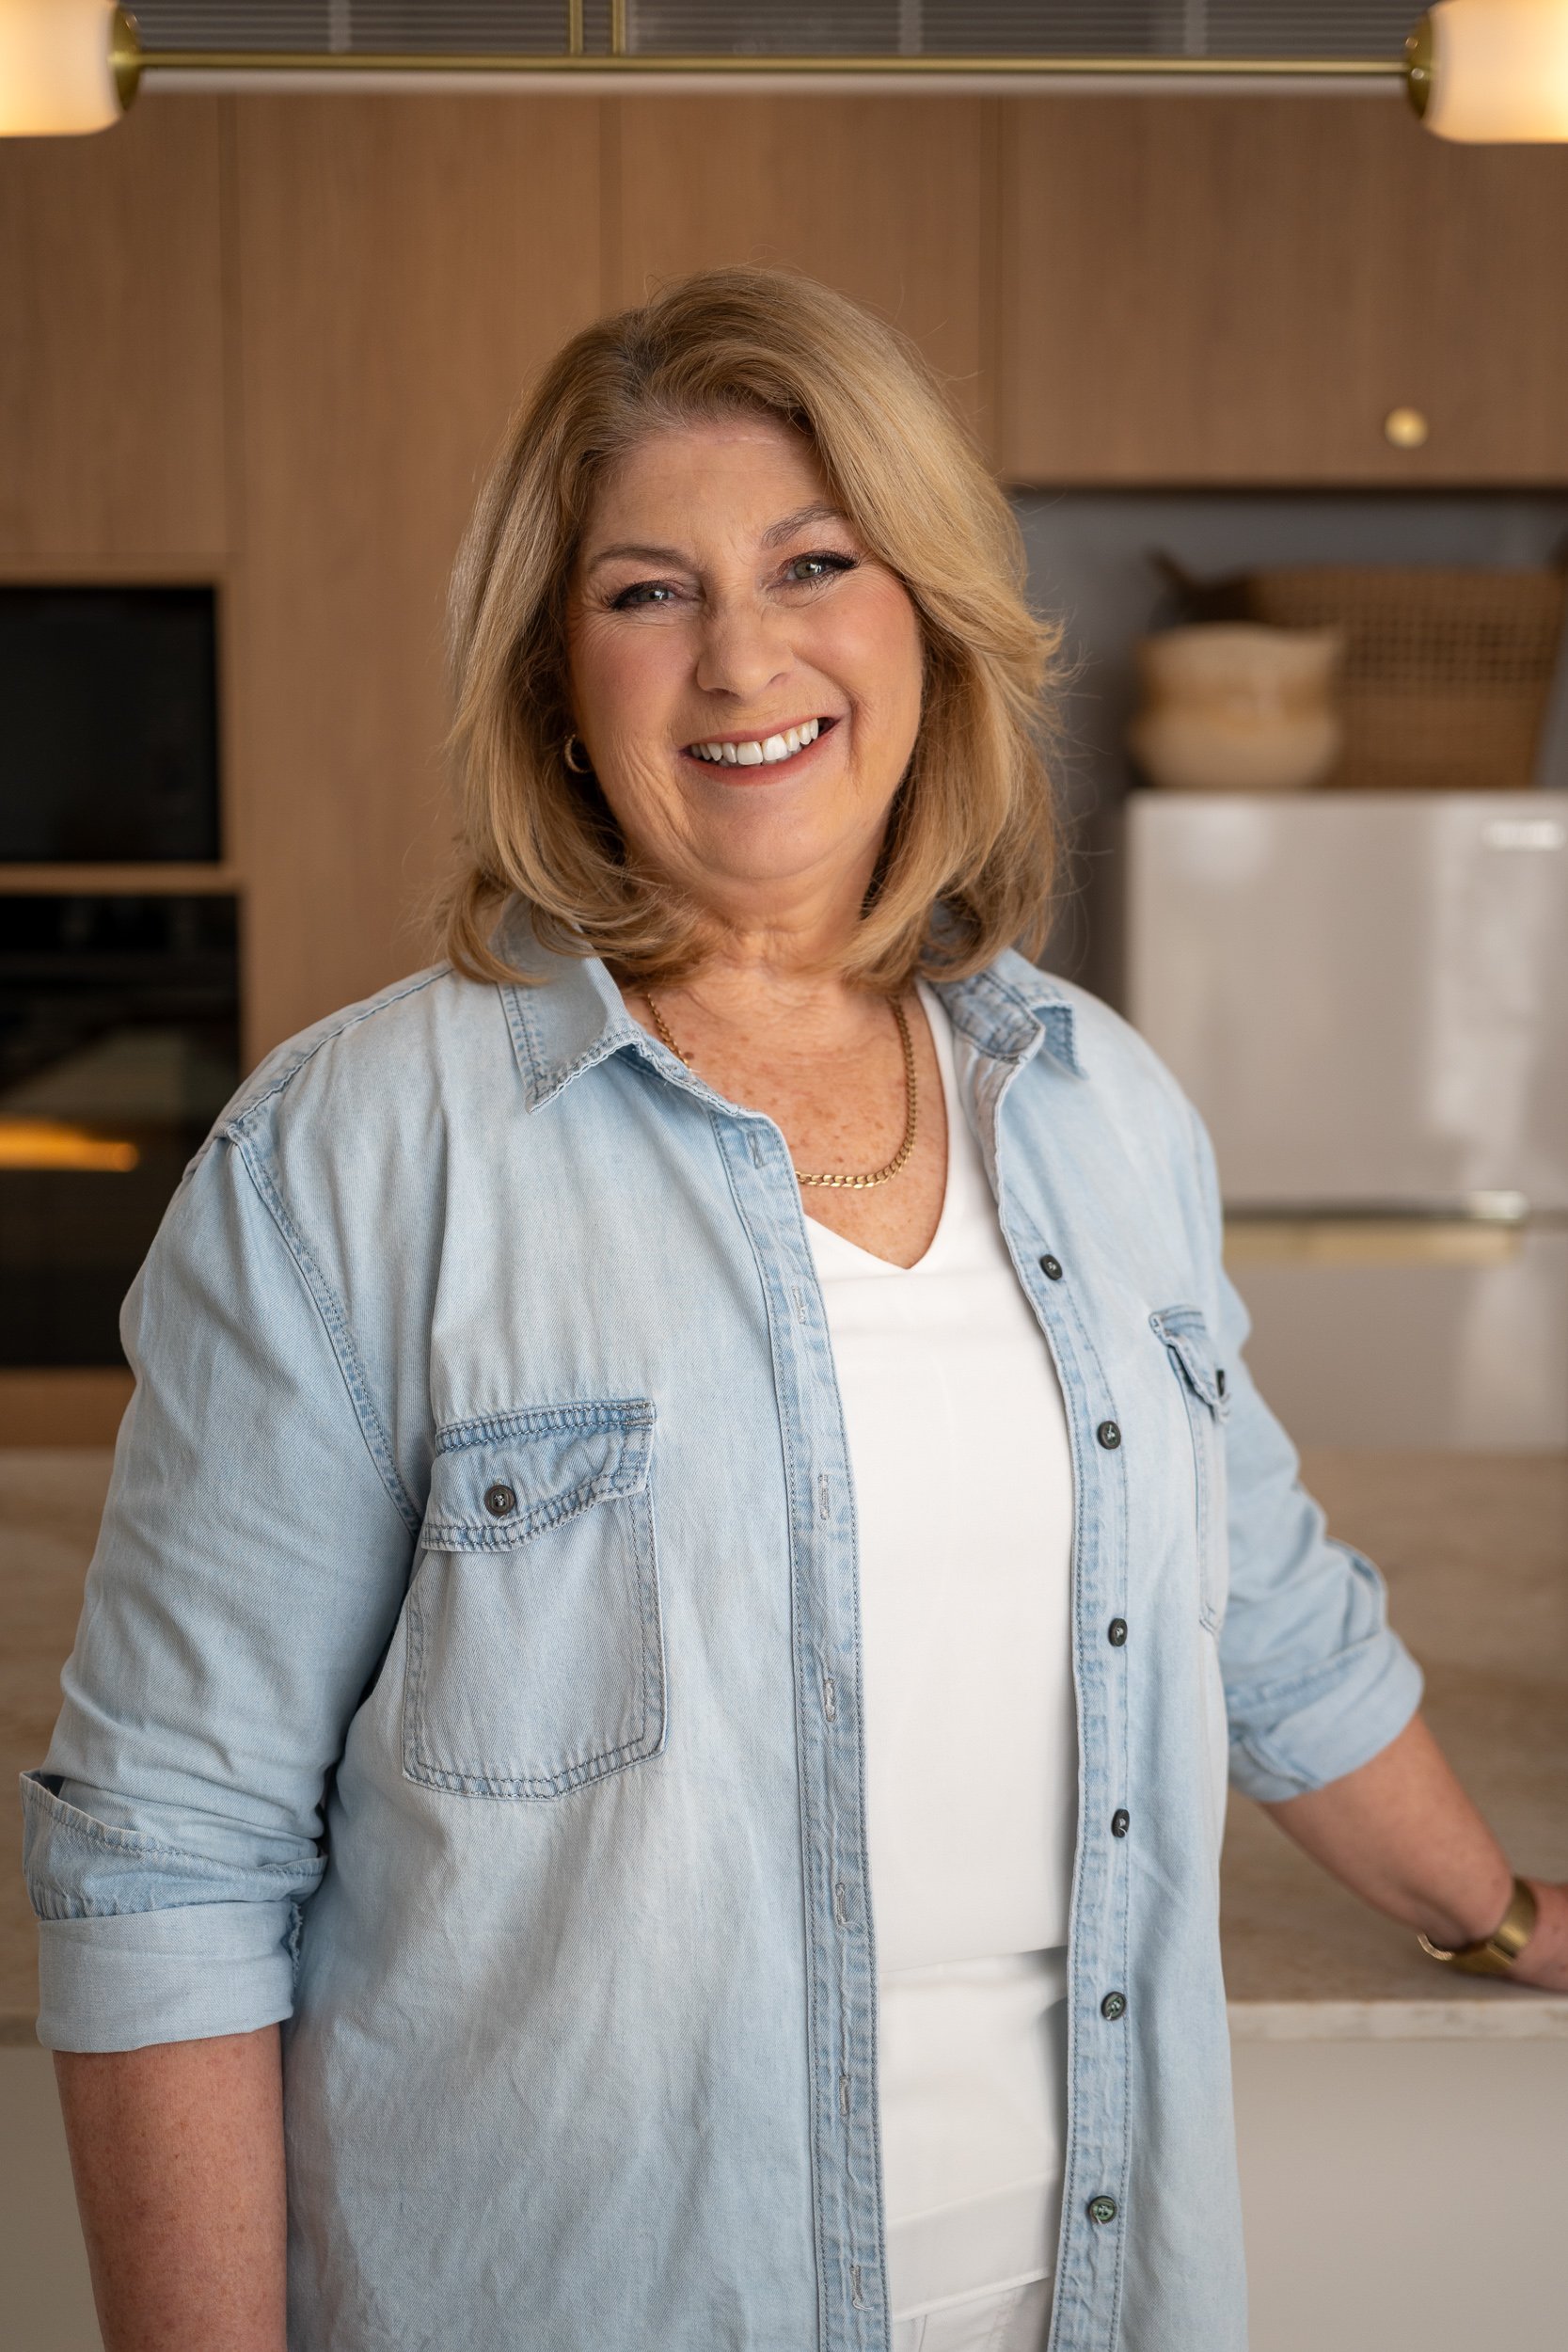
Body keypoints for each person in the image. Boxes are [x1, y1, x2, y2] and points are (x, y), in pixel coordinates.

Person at [23, 267, 1566, 2352]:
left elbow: (1267, 1605)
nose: (743, 653)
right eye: (647, 591)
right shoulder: (363, 1154)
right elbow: (168, 1856)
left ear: (923, 615)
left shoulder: (1102, 1107)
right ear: (560, 681)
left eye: (814, 563)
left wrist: (1502, 1914)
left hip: (1087, 2294)